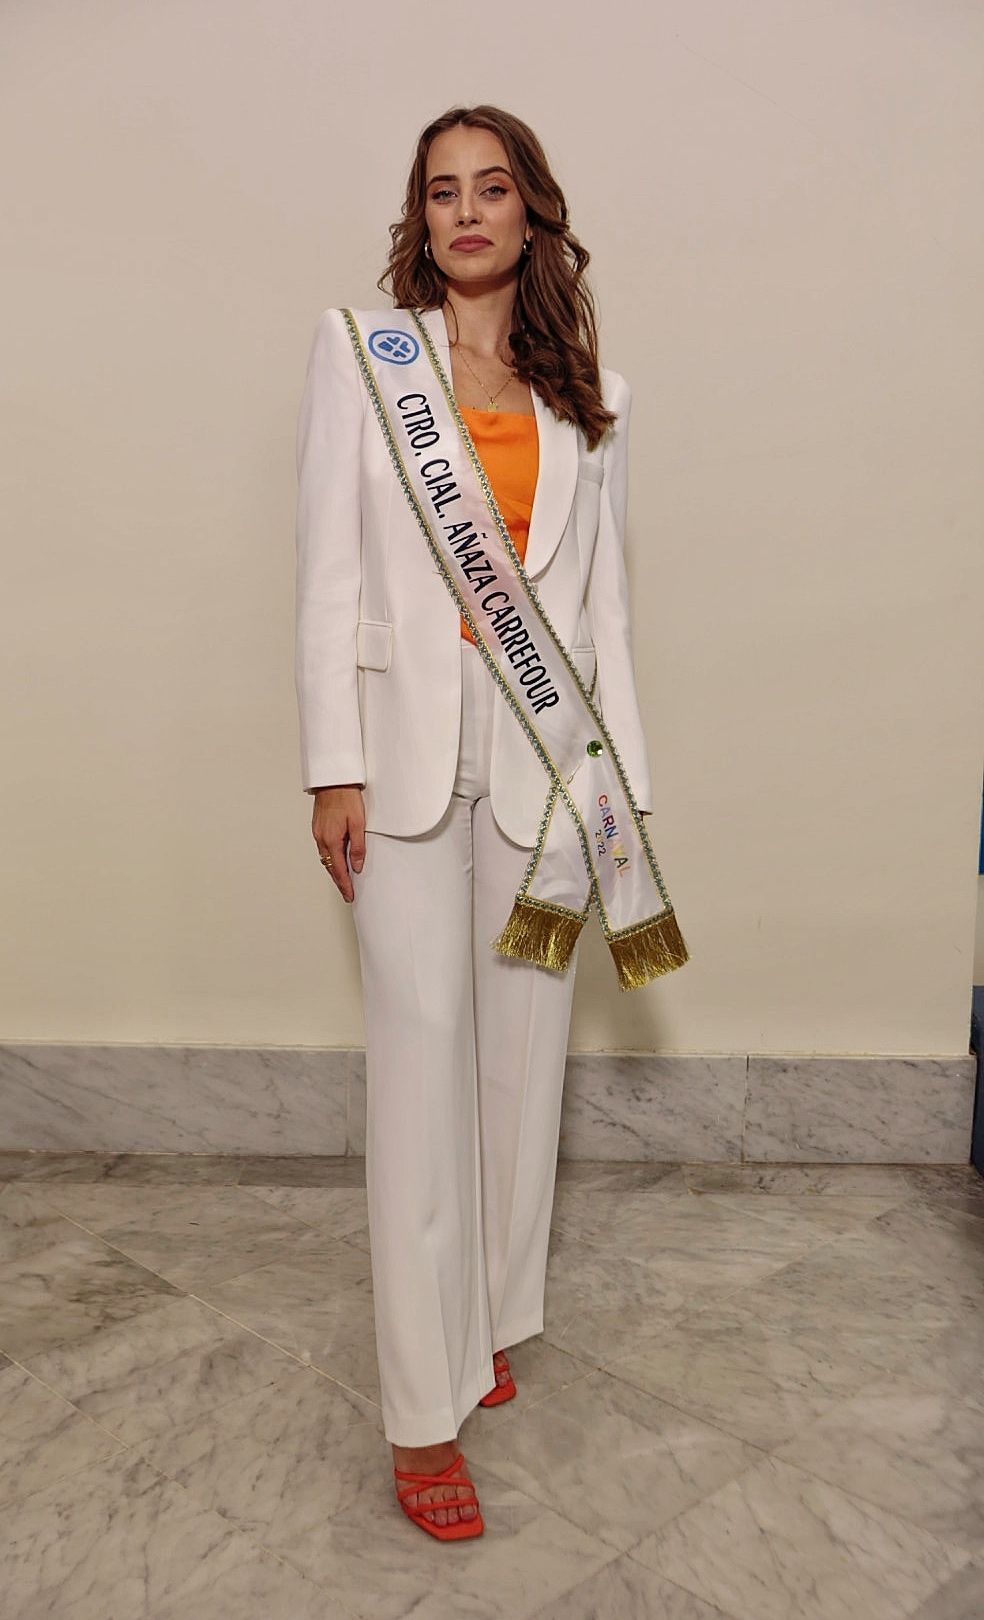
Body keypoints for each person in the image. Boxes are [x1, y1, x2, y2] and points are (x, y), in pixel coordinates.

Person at [293, 104, 685, 1541]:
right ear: (423, 217)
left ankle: (486, 1325)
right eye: (442, 192)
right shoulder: (364, 358)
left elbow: (605, 621)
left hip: (541, 776)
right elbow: (329, 574)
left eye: (493, 188)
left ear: (533, 214)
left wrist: (619, 797)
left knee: (524, 1075)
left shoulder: (599, 398)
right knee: (420, 1075)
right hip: (399, 770)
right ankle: (417, 1416)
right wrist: (331, 762)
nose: (468, 212)